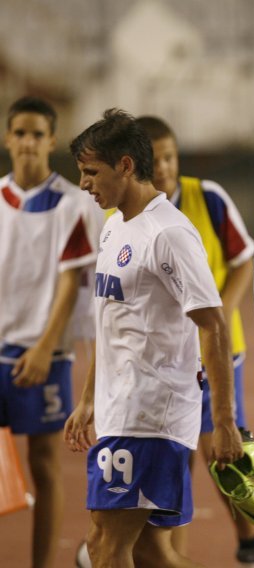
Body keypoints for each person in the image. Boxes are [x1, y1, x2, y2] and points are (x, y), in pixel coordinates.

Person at [63, 108, 243, 567]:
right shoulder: (113, 226)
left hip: (151, 414)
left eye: (91, 172)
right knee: (146, 551)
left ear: (125, 165)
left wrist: (223, 420)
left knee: (105, 545)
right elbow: (111, 325)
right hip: (118, 408)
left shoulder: (170, 233)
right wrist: (89, 399)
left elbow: (214, 325)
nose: (84, 184)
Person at [133, 115, 254, 566]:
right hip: (166, 358)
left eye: (171, 156)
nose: (165, 167)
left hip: (214, 351)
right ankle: (174, 554)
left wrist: (223, 311)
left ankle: (250, 542)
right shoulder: (125, 213)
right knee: (178, 458)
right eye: (156, 159)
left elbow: (243, 259)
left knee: (222, 455)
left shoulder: (205, 197)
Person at [0, 95, 98, 568]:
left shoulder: (71, 203)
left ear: (51, 141)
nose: (27, 142)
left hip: (43, 352)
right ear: (7, 138)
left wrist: (43, 346)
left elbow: (68, 284)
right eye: (19, 132)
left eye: (37, 134)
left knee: (43, 464)